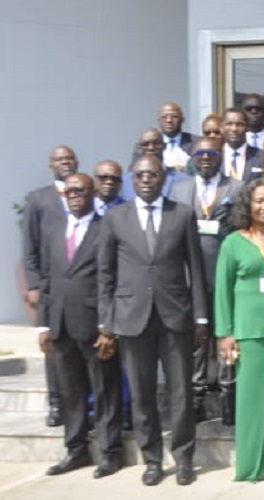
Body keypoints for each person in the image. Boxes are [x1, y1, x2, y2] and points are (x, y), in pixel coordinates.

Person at [98, 154, 207, 486]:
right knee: (142, 394)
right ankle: (153, 460)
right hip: (132, 318)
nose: (146, 179)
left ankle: (184, 458)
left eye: (153, 174)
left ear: (163, 177)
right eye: (141, 175)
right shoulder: (115, 217)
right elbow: (105, 274)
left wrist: (201, 317)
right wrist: (106, 322)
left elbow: (196, 269)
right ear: (132, 178)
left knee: (181, 393)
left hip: (175, 316)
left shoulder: (182, 214)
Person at [37, 173, 125, 479]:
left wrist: (108, 325)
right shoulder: (54, 229)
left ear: (93, 194)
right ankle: (75, 450)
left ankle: (110, 452)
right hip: (61, 324)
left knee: (104, 391)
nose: (75, 195)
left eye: (81, 191)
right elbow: (47, 279)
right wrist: (42, 326)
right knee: (71, 391)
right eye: (70, 191)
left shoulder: (106, 228)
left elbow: (112, 279)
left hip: (95, 326)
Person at [213, 179, 264, 481]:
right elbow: (222, 290)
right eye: (259, 200)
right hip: (249, 330)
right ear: (247, 205)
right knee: (251, 399)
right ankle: (252, 464)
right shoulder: (233, 243)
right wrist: (225, 333)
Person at [171, 136, 243, 425]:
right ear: (192, 158)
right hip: (190, 275)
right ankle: (197, 397)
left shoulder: (236, 187)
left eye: (211, 153)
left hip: (225, 273)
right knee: (196, 338)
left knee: (226, 335)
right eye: (200, 154)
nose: (205, 158)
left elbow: (241, 226)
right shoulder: (179, 190)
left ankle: (228, 397)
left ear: (220, 156)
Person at [23, 145, 80, 428]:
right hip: (49, 285)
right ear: (51, 165)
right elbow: (29, 246)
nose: (65, 162)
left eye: (69, 158)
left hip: (80, 285)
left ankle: (82, 402)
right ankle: (57, 403)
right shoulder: (38, 199)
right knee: (53, 345)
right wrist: (33, 285)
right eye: (60, 159)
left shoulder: (85, 192)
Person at [220, 108, 264, 182]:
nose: (234, 129)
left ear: (247, 127)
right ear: (221, 128)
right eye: (229, 124)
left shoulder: (262, 156)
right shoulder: (214, 156)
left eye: (239, 124)